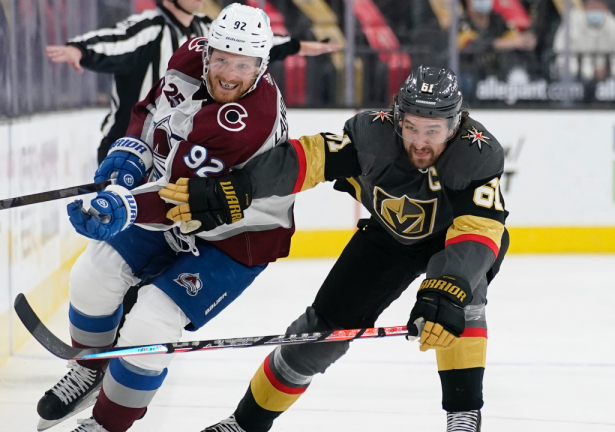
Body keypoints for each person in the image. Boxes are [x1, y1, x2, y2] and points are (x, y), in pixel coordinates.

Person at [161, 66, 509, 432]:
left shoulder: (478, 153)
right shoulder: (371, 134)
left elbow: (479, 229)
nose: (420, 142)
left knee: (458, 303)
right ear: (396, 118)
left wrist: (449, 288)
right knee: (317, 334)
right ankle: (243, 424)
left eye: (433, 131)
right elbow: (308, 159)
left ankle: (464, 417)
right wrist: (241, 186)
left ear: (454, 126)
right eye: (411, 127)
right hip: (388, 237)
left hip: (455, 238)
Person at [37, 5, 296, 432]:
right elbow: (148, 111)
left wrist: (125, 206)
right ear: (207, 50)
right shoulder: (187, 55)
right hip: (173, 204)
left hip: (236, 234)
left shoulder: (248, 121)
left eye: (244, 64)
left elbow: (184, 195)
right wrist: (129, 155)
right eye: (223, 59)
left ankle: (106, 424)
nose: (229, 73)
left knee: (149, 327)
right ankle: (91, 368)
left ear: (262, 65)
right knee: (92, 275)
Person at [45, 0, 339, 164]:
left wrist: (296, 45)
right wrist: (80, 50)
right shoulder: (149, 28)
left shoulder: (205, 28)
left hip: (180, 148)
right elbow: (115, 40)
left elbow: (251, 46)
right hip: (130, 146)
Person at [553, 0, 615, 81]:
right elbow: (561, 54)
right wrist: (586, 73)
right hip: (576, 79)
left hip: (607, 79)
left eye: (598, 7)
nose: (595, 10)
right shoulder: (572, 22)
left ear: (605, 8)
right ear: (584, 7)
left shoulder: (611, 24)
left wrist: (607, 71)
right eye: (591, 6)